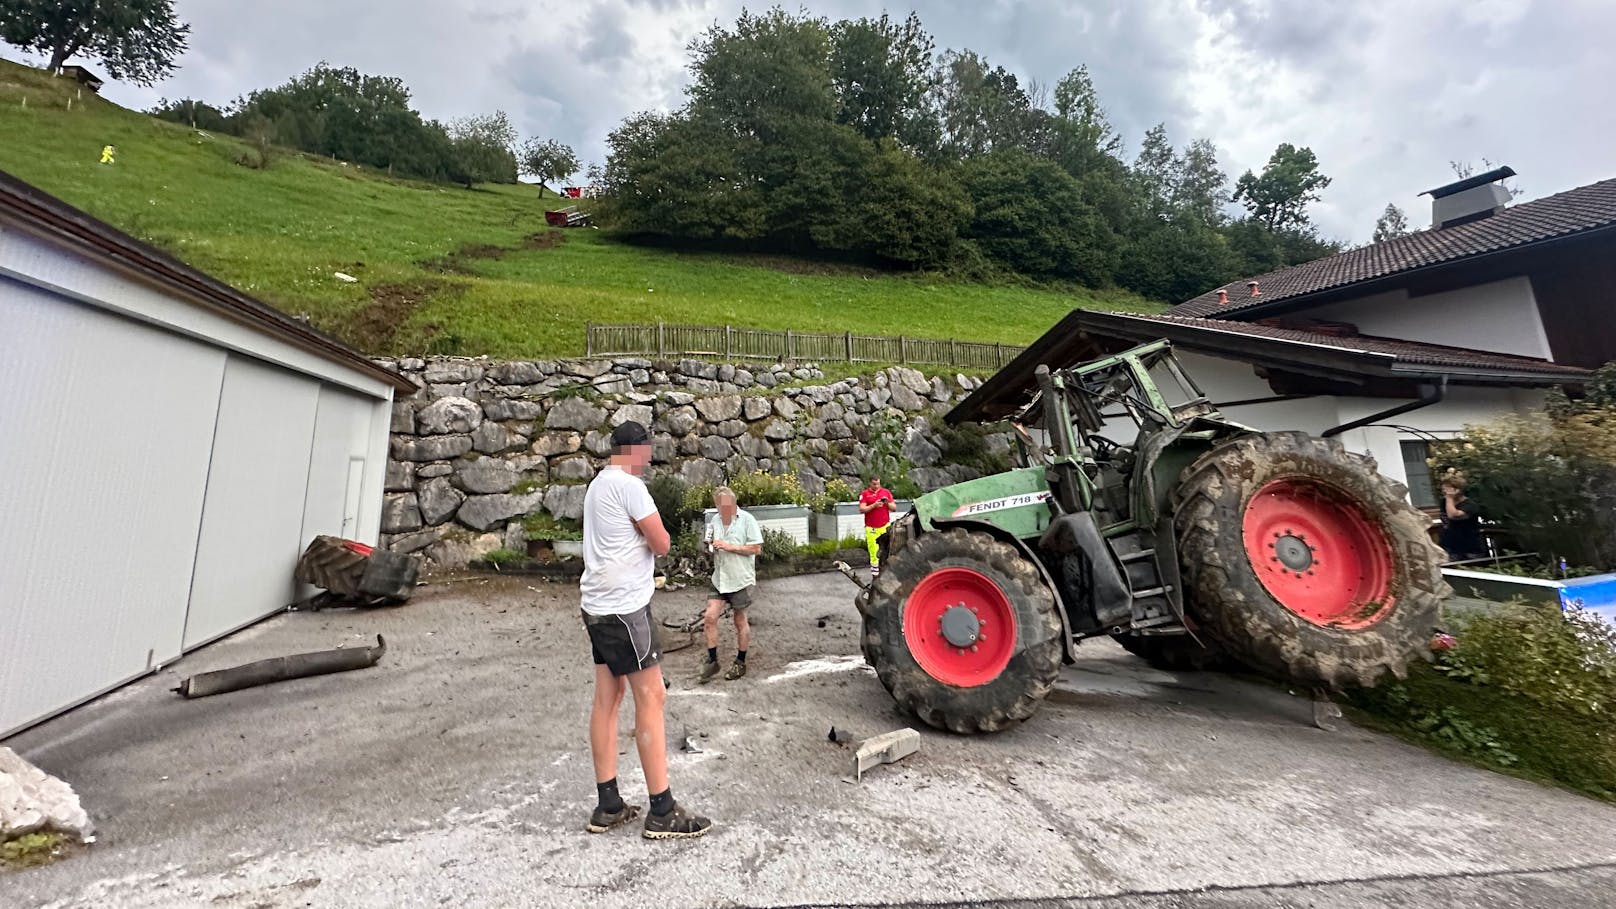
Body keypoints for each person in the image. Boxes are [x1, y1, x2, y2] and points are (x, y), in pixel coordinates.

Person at [579, 420, 711, 840]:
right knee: (651, 696)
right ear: (637, 450)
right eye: (647, 451)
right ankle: (662, 810)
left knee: (608, 698)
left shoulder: (598, 484)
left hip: (596, 605)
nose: (649, 458)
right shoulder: (631, 486)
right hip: (624, 609)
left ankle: (609, 805)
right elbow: (662, 542)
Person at [698, 486, 763, 683]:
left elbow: (756, 548)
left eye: (725, 504)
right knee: (709, 617)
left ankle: (740, 661)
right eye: (718, 505)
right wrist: (710, 546)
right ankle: (712, 660)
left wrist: (728, 546)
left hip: (739, 579)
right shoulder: (715, 520)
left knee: (739, 620)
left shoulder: (747, 520)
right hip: (720, 578)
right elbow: (711, 544)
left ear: (733, 502)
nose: (722, 508)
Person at [1439, 477, 1486, 562]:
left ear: (1458, 490)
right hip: (1450, 546)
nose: (1445, 491)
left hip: (1470, 548)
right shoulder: (1444, 502)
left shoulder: (1470, 505)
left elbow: (1453, 515)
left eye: (1447, 488)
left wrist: (1450, 498)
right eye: (1443, 489)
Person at [859, 474, 894, 579]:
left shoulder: (886, 492)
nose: (876, 486)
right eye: (874, 484)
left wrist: (886, 503)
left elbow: (894, 507)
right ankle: (875, 576)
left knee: (888, 550)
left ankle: (886, 573)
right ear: (870, 483)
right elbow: (862, 509)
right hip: (871, 528)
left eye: (878, 483)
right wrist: (874, 505)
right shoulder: (865, 494)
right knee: (874, 552)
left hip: (885, 526)